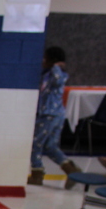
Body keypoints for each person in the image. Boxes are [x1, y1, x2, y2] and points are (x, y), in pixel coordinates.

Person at [29, 46, 79, 187]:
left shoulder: (59, 74)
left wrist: (57, 66)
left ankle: (37, 174)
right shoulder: (47, 73)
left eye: (46, 58)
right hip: (50, 113)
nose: (43, 60)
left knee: (36, 144)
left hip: (50, 114)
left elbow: (57, 80)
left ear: (53, 60)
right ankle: (71, 170)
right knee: (50, 146)